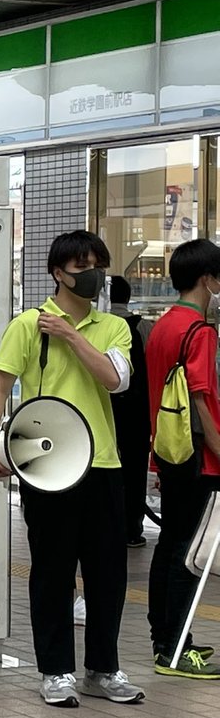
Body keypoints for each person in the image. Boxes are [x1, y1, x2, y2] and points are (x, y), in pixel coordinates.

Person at [0, 230, 143, 708]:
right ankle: (55, 671)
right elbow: (0, 385)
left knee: (108, 573)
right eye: (81, 267)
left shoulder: (114, 327)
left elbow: (114, 380)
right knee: (52, 569)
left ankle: (103, 669)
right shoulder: (28, 325)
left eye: (98, 267)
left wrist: (70, 334)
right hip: (46, 465)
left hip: (103, 462)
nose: (92, 276)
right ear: (57, 273)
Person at [144, 239, 220, 678]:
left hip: (169, 452)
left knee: (170, 545)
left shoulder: (163, 327)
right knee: (189, 553)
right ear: (207, 279)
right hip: (198, 458)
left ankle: (165, 639)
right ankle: (175, 650)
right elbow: (201, 398)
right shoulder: (200, 331)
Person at [109, 276, 152, 549]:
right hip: (137, 412)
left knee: (106, 468)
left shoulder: (100, 325)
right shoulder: (144, 327)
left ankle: (107, 526)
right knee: (135, 470)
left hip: (106, 410)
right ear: (128, 296)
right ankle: (133, 529)